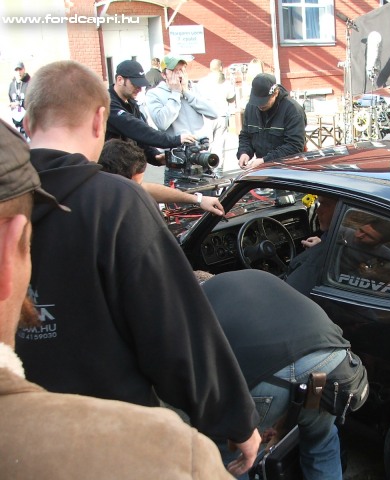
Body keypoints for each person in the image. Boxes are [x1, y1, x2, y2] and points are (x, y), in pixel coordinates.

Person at [18, 60, 260, 477]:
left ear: (26, 122)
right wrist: (236, 421)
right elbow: (174, 328)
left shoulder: (14, 201)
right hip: (114, 441)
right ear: (100, 120)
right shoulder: (115, 203)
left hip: (19, 442)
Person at [202, 269, 351, 480]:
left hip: (270, 378)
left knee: (236, 457)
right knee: (321, 441)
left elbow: (199, 377)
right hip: (330, 361)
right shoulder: (254, 278)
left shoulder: (198, 303)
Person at [99, 139, 225, 215]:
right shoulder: (103, 213)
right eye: (135, 185)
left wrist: (198, 199)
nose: (139, 188)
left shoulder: (113, 186)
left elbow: (146, 189)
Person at [106, 59, 196, 166]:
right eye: (135, 84)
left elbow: (141, 138)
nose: (140, 89)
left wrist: (155, 156)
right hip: (108, 168)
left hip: (125, 168)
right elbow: (135, 128)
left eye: (141, 85)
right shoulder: (107, 103)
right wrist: (174, 140)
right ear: (120, 80)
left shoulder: (132, 105)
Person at [146, 55, 219, 183]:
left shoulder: (194, 89)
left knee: (210, 193)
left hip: (202, 156)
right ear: (164, 75)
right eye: (174, 71)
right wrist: (175, 94)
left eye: (182, 70)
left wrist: (186, 92)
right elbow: (162, 123)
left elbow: (214, 113)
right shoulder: (154, 94)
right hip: (179, 162)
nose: (179, 75)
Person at [237, 73, 306, 170]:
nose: (260, 105)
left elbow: (294, 146)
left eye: (264, 101)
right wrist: (244, 152)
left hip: (288, 169)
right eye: (257, 101)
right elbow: (246, 135)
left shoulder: (292, 110)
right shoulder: (251, 107)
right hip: (262, 167)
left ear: (275, 93)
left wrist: (265, 160)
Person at [195, 59, 237, 171]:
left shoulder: (202, 82)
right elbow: (231, 98)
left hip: (206, 117)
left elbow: (196, 99)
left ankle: (205, 168)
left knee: (205, 144)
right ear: (221, 67)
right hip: (221, 116)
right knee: (219, 145)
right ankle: (218, 169)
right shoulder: (226, 83)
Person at [8, 61, 30, 138]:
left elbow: (32, 103)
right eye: (16, 70)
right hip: (16, 124)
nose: (18, 72)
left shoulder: (29, 84)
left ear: (24, 69)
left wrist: (20, 104)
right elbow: (11, 100)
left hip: (28, 124)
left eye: (20, 69)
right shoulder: (12, 85)